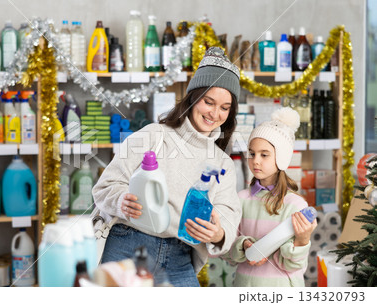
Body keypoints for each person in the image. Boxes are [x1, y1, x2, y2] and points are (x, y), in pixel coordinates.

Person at [92, 47, 242, 287]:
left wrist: (219, 233)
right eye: (209, 102)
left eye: (225, 108)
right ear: (193, 97)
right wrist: (121, 200)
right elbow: (105, 186)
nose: (215, 113)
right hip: (128, 243)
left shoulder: (222, 162)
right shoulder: (154, 135)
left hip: (178, 255)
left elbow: (228, 215)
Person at [225, 107, 317, 287]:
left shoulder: (295, 205)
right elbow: (226, 252)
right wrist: (243, 245)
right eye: (252, 154)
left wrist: (302, 240)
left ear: (281, 157)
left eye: (264, 155)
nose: (255, 160)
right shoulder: (241, 199)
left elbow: (293, 265)